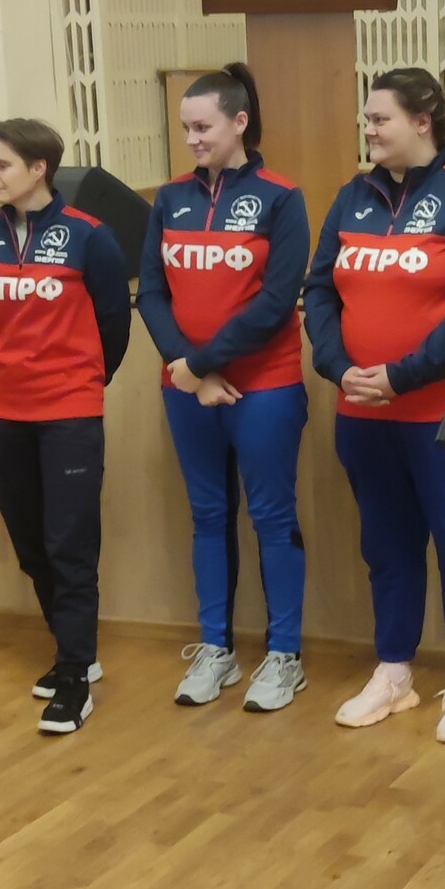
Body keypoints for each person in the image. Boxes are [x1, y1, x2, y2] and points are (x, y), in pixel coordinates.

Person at [303, 67, 445, 745]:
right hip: (364, 412)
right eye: (367, 119)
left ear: (423, 121)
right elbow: (319, 290)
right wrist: (339, 367)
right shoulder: (352, 196)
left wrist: (403, 375)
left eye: (380, 118)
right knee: (386, 546)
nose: (368, 129)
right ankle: (394, 673)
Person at [137, 64, 312, 711]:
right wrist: (186, 368)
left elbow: (276, 302)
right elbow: (151, 293)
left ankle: (284, 655)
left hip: (263, 386)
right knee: (207, 515)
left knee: (271, 517)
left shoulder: (280, 197)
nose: (192, 139)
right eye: (185, 128)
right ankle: (216, 649)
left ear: (239, 122)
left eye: (203, 127)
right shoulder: (169, 198)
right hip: (186, 387)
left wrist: (203, 363)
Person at [0, 118, 130, 735]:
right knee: (32, 544)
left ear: (39, 169)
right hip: (1, 412)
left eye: (2, 165)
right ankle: (71, 649)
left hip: (68, 414)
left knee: (70, 545)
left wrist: (79, 382)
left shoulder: (90, 236)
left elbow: (114, 324)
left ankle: (74, 675)